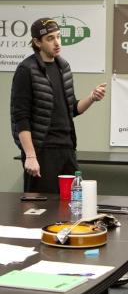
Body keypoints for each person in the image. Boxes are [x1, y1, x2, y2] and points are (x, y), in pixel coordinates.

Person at [10, 17, 106, 193]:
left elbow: (72, 109)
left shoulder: (63, 67)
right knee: (39, 208)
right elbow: (20, 118)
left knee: (72, 203)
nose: (57, 42)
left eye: (59, 36)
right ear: (37, 42)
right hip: (42, 150)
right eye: (50, 38)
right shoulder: (26, 70)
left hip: (67, 148)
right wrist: (30, 156)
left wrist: (91, 98)